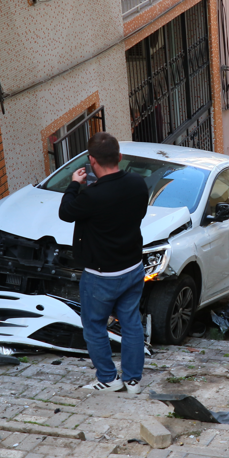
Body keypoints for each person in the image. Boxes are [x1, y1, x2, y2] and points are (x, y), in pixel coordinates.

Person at [58, 133, 149, 393]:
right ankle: (132, 381)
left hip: (101, 275)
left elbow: (66, 212)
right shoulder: (138, 184)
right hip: (132, 267)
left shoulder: (92, 195)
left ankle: (109, 379)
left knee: (94, 325)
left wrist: (75, 184)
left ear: (92, 161)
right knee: (131, 322)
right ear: (119, 157)